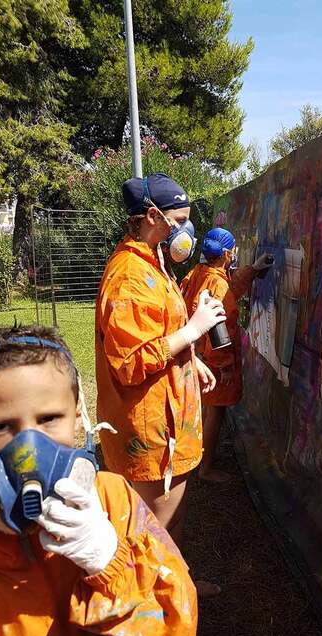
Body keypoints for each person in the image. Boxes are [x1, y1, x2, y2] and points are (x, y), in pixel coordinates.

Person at [0, 325, 197, 636]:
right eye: (1, 426)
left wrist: (111, 561)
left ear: (78, 418)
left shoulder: (114, 501)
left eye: (48, 419)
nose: (28, 451)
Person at [95, 173, 224, 595]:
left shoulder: (153, 262)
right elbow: (130, 362)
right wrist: (193, 332)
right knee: (151, 530)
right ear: (153, 216)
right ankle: (149, 610)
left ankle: (175, 585)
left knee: (174, 517)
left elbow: (160, 332)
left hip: (170, 423)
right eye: (180, 219)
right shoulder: (130, 276)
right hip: (150, 434)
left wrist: (190, 361)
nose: (186, 229)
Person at [181, 228, 272, 482]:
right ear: (227, 253)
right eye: (232, 252)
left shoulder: (197, 273)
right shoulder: (217, 282)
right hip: (212, 359)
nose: (234, 256)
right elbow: (223, 329)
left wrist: (252, 270)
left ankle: (198, 454)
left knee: (205, 408)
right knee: (216, 412)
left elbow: (228, 290)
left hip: (197, 355)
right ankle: (205, 467)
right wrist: (225, 366)